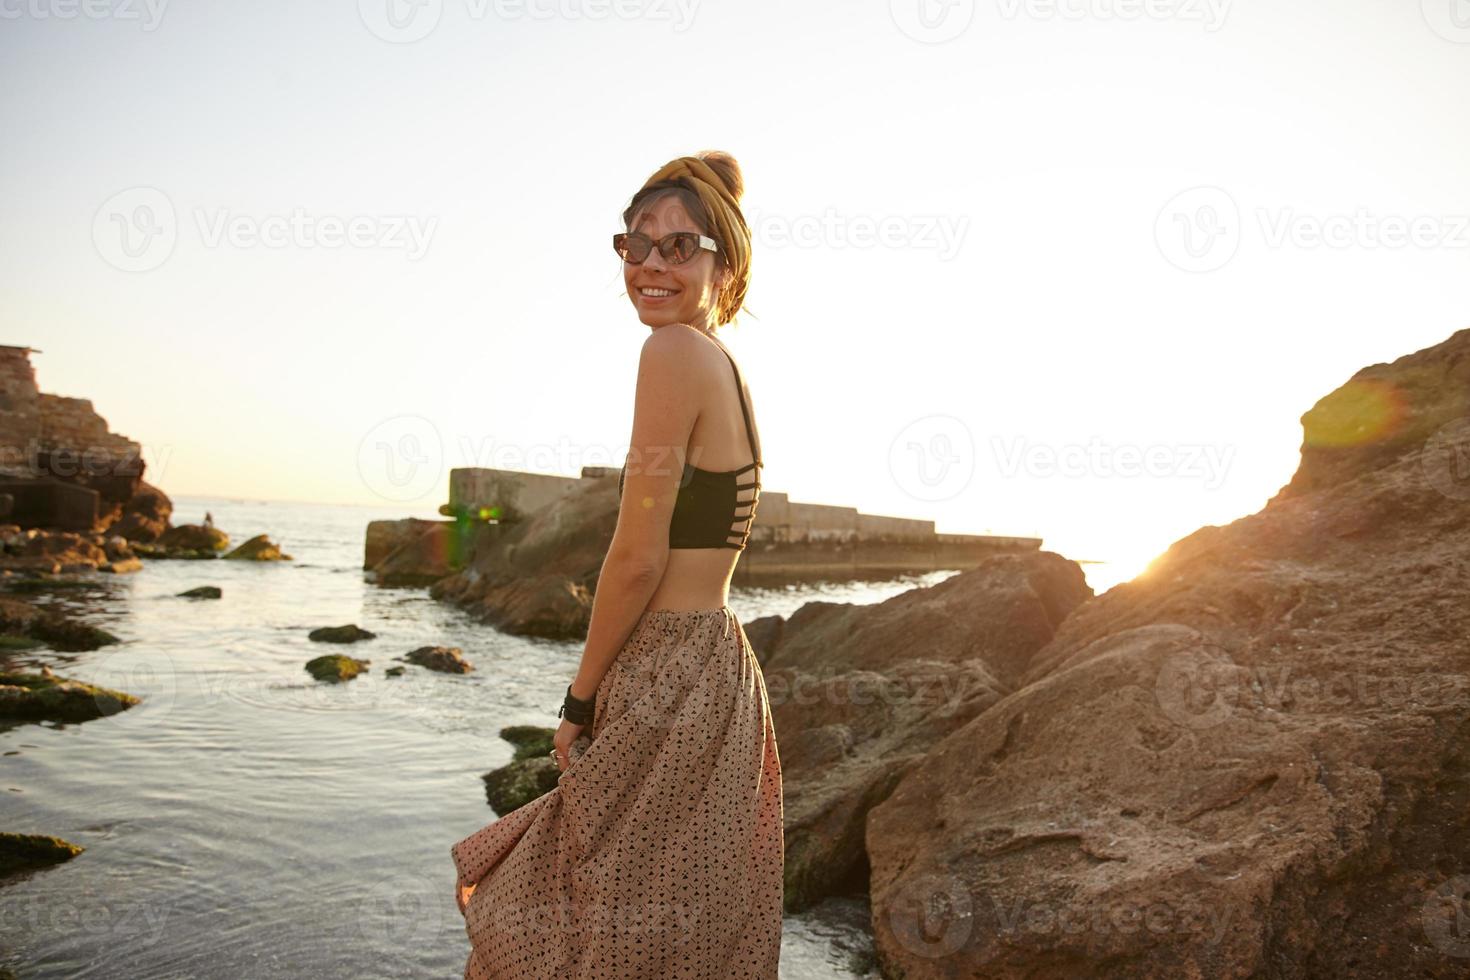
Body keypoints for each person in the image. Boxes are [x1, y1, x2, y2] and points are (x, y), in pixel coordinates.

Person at [450, 151, 783, 979]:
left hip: (667, 670)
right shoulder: (725, 366)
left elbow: (636, 559)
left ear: (724, 261)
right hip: (722, 674)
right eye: (635, 246)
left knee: (567, 926)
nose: (651, 265)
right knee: (671, 937)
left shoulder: (671, 354)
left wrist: (580, 696)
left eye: (680, 246)